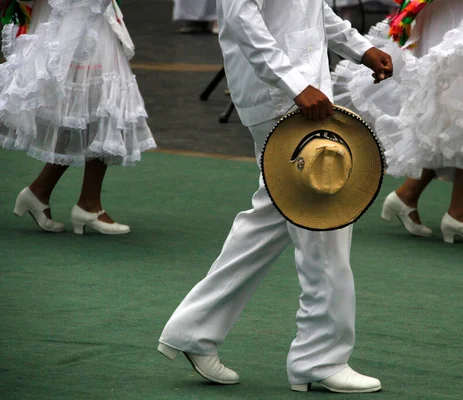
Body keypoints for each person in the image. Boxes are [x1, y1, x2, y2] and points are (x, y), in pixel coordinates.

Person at [157, 0, 393, 393]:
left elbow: (310, 9)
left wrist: (359, 47)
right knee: (325, 221)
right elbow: (241, 18)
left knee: (274, 216)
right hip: (283, 96)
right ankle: (319, 358)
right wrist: (295, 84)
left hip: (297, 91)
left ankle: (194, 330)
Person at [333, 0, 463, 244]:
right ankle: (457, 213)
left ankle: (410, 195)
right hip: (458, 17)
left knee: (456, 113)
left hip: (457, 14)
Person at [1, 0, 155, 235]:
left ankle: (48, 192)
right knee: (97, 104)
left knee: (89, 107)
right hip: (72, 18)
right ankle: (83, 202)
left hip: (84, 16)